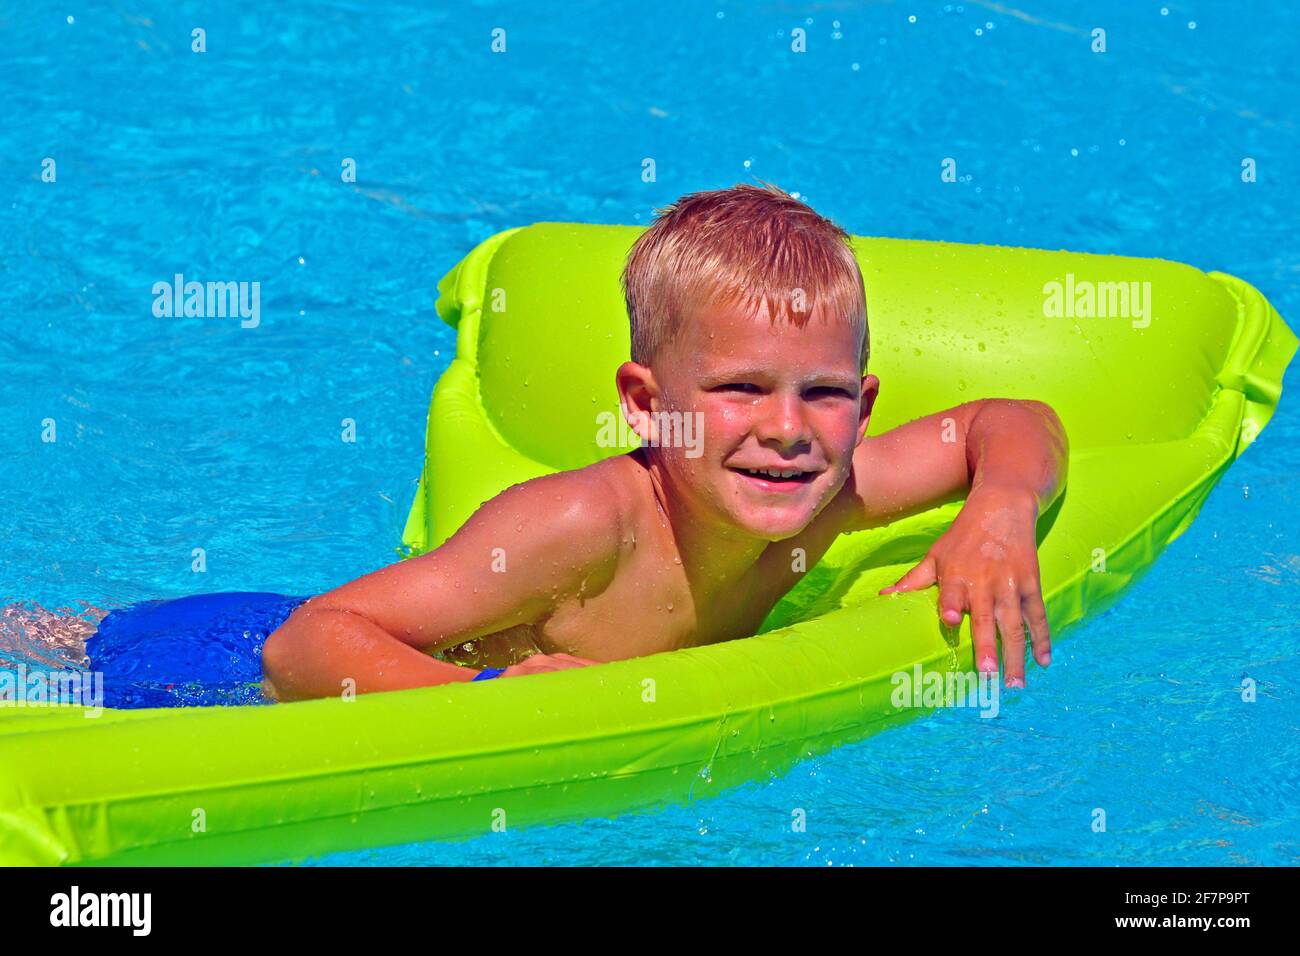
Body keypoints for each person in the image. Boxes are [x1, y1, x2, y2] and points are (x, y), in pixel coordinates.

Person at [262, 182, 1067, 701]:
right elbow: (303, 642)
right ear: (645, 405)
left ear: (862, 408)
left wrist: (1000, 506)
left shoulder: (830, 490)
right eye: (740, 389)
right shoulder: (581, 528)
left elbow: (1017, 421)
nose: (786, 430)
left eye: (822, 394)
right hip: (213, 657)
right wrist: (488, 690)